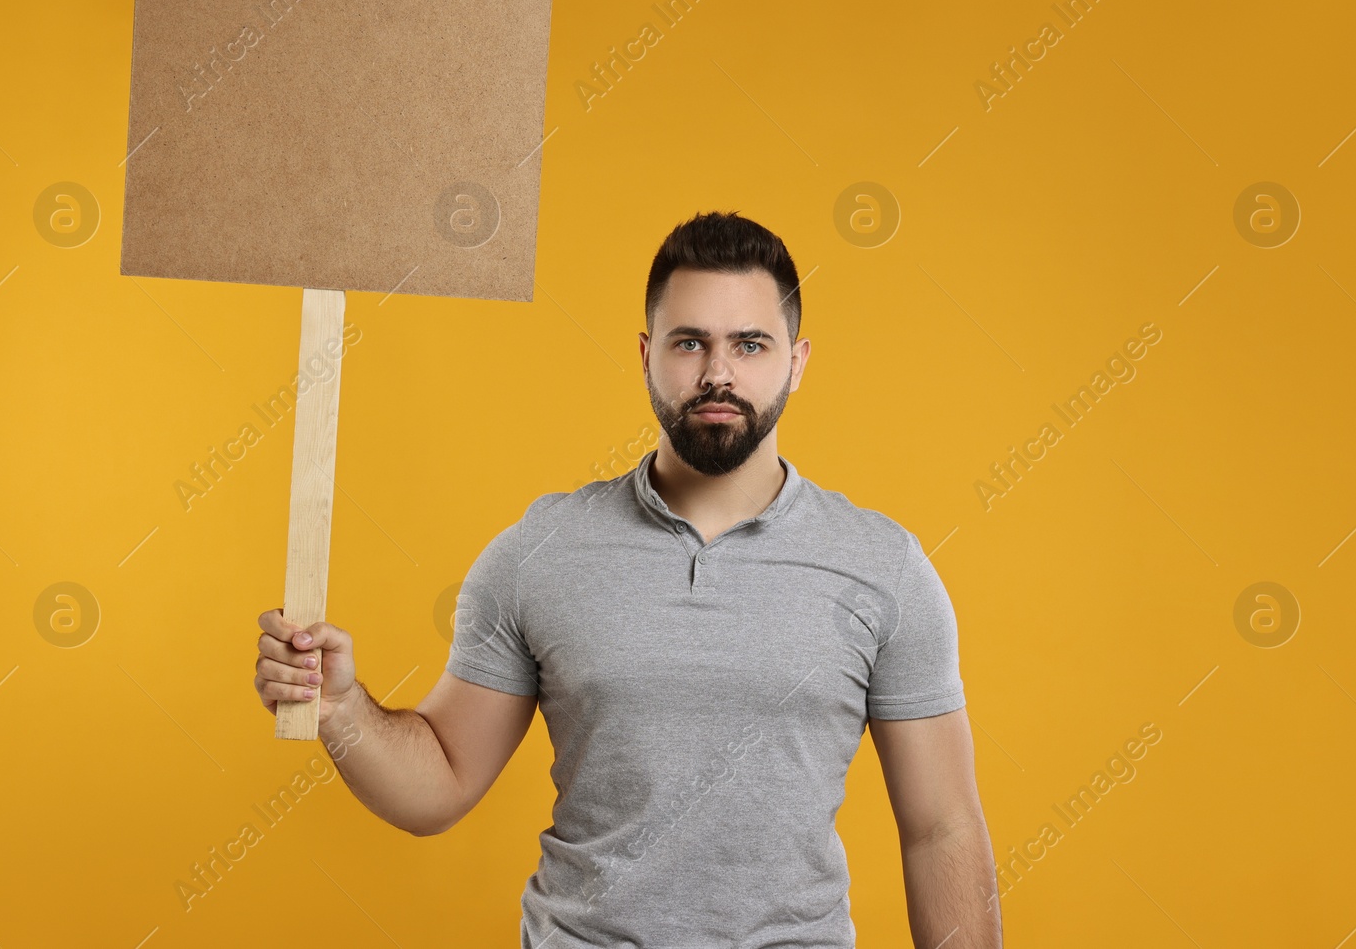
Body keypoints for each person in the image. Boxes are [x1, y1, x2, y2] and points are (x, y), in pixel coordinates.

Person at [254, 210, 1002, 947]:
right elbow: (440, 784)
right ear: (647, 353)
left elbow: (942, 829)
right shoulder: (539, 553)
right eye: (689, 343)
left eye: (749, 343)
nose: (718, 372)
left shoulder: (882, 568)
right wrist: (339, 705)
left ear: (797, 360)